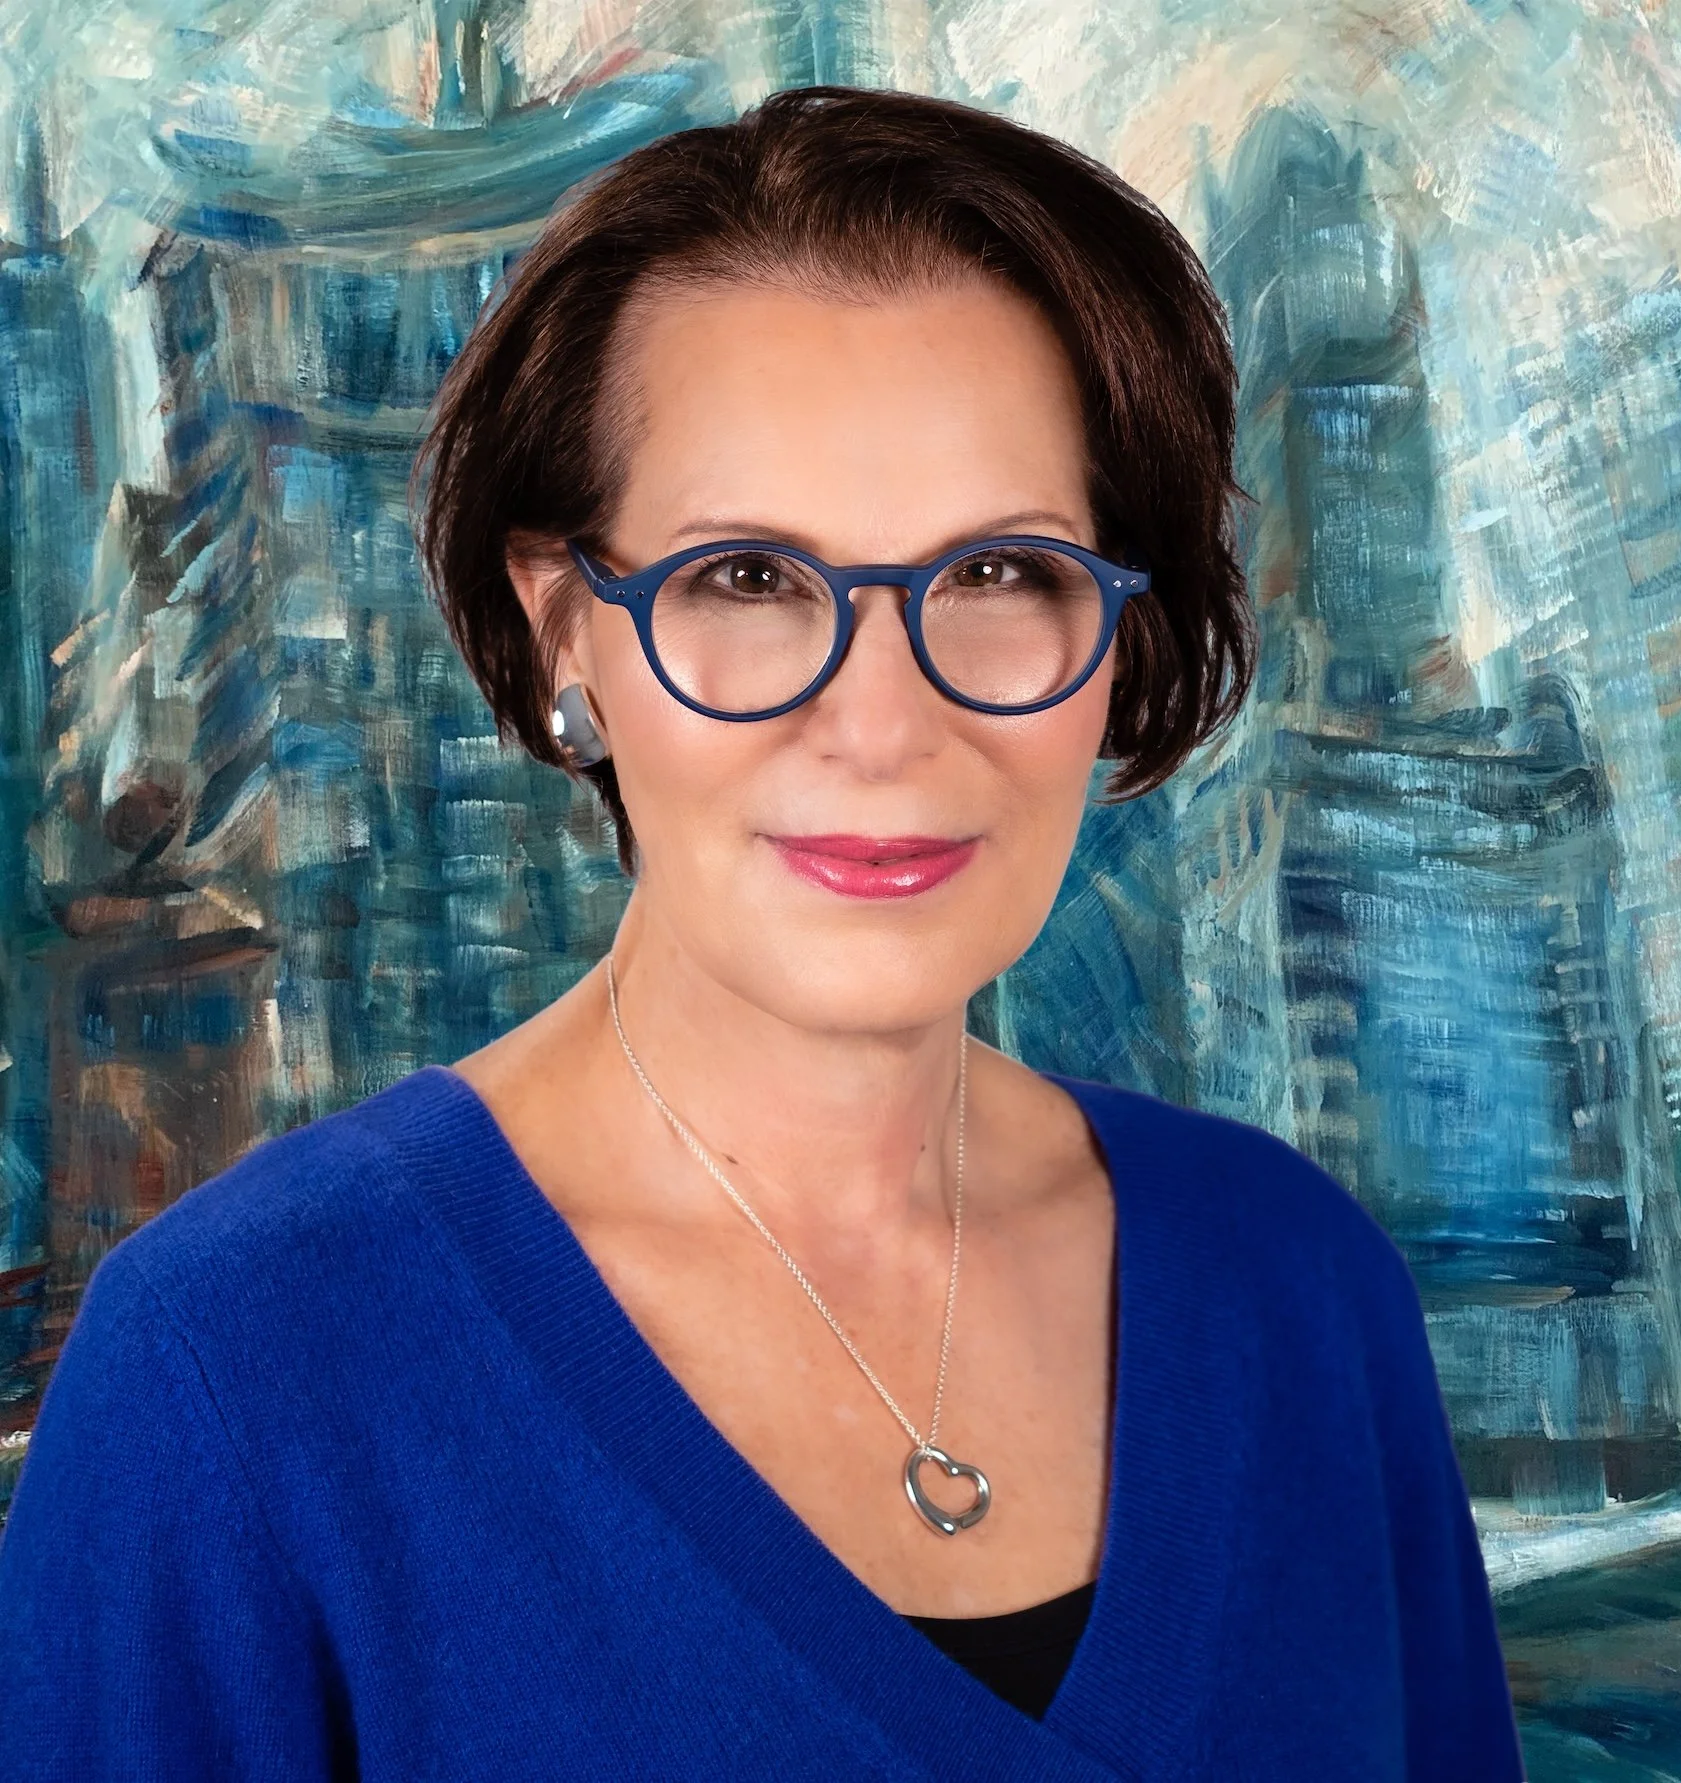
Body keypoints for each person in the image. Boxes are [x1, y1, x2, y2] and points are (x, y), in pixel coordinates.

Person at [0, 85, 1523, 1780]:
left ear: (1117, 633)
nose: (881, 725)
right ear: (563, 626)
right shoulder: (229, 1373)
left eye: (1000, 574)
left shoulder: (1300, 1288)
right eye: (744, 579)